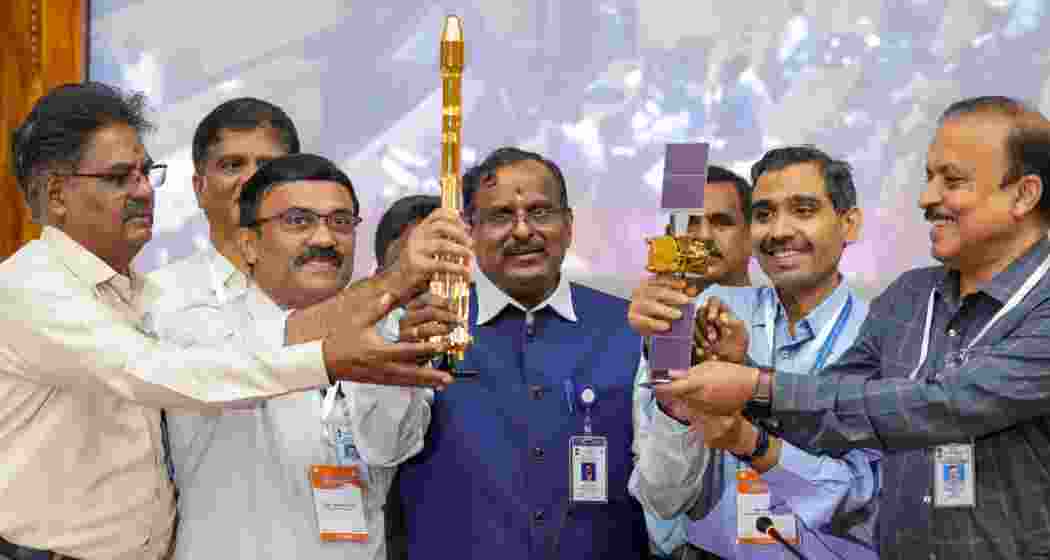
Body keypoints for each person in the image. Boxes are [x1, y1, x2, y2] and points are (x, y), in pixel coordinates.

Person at [0, 82, 467, 560]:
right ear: (57, 194)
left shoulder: (135, 292)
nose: (143, 190)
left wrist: (376, 317)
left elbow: (387, 443)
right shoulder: (35, 289)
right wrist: (355, 324)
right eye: (121, 177)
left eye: (146, 173)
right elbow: (172, 373)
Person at [656, 97, 1050, 560]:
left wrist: (753, 386)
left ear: (1024, 195)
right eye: (928, 179)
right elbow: (827, 405)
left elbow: (946, 405)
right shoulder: (910, 296)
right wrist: (741, 374)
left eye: (953, 181)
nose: (926, 198)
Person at [353, 147, 649, 558]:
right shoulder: (425, 325)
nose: (523, 231)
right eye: (501, 216)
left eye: (541, 212)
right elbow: (383, 450)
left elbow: (666, 488)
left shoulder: (630, 328)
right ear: (470, 231)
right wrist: (401, 363)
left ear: (569, 226)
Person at [630, 146, 879, 560]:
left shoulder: (886, 333)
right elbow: (662, 496)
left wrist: (747, 399)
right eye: (764, 214)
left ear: (848, 223)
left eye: (802, 210)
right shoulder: (711, 316)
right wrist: (674, 390)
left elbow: (870, 497)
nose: (779, 230)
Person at [155, 153, 408, 560]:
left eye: (341, 222)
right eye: (298, 221)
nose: (325, 239)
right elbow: (249, 361)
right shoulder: (198, 328)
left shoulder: (384, 329)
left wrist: (403, 361)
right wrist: (392, 284)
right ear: (249, 243)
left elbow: (390, 447)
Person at [628, 165, 755, 559]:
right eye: (690, 224)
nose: (702, 237)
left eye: (721, 222)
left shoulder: (785, 321)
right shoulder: (662, 331)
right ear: (670, 239)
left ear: (752, 235)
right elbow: (659, 496)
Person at [149, 97, 299, 311]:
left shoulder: (333, 299)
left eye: (268, 166)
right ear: (200, 188)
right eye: (232, 165)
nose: (251, 179)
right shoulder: (155, 301)